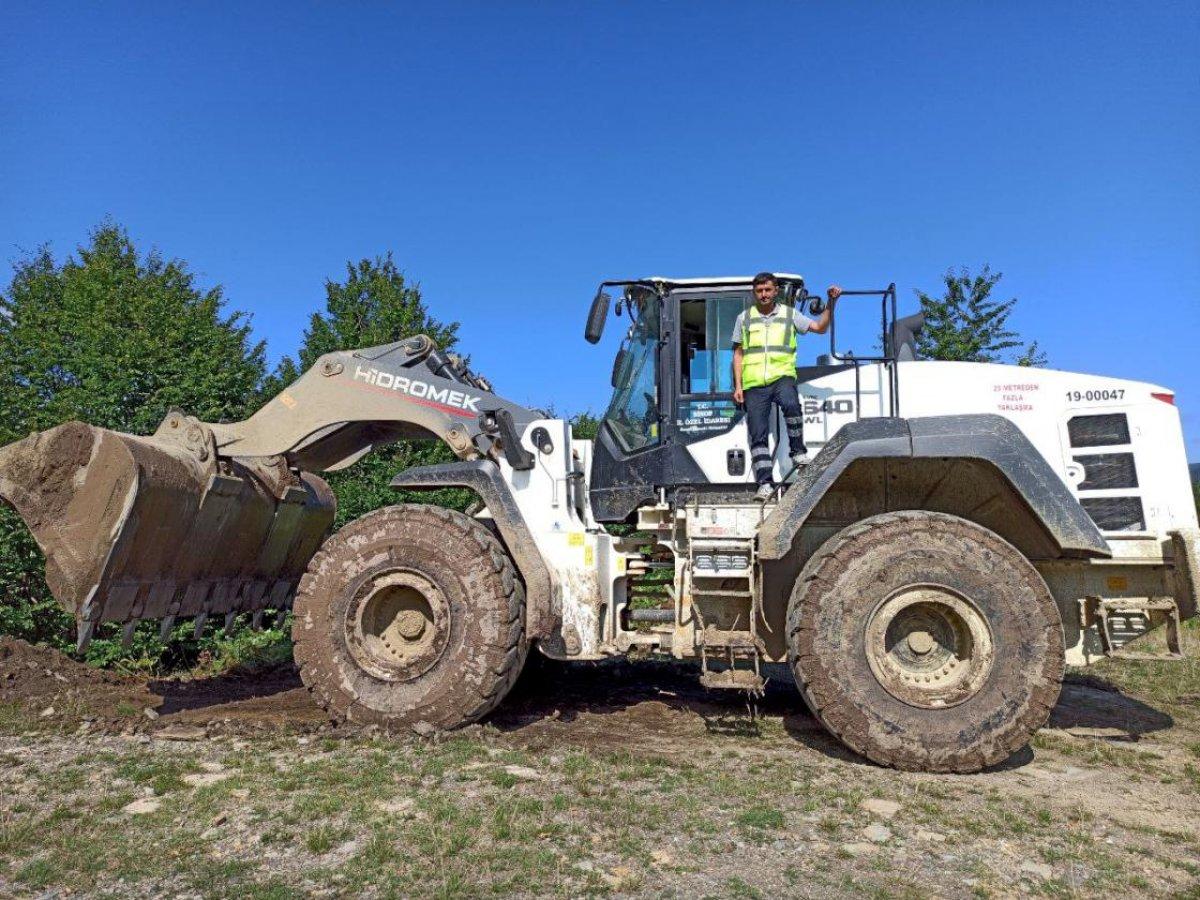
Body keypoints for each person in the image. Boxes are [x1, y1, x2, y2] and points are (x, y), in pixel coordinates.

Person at [732, 272, 840, 501]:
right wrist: (738, 385)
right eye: (759, 291)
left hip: (781, 375)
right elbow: (738, 353)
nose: (763, 294)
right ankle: (764, 483)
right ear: (755, 292)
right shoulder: (744, 318)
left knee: (791, 403)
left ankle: (798, 453)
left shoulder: (790, 315)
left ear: (775, 291)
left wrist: (831, 303)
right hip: (754, 383)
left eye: (768, 290)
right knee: (757, 434)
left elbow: (820, 328)